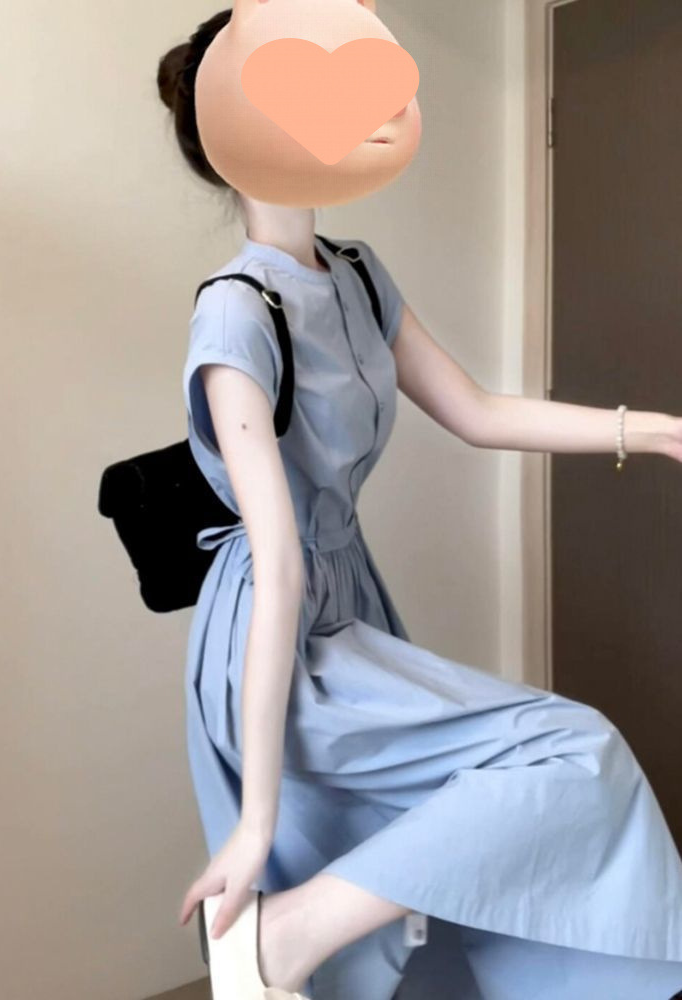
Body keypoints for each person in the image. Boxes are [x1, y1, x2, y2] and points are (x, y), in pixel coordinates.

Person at [159, 11, 682, 1000]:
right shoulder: (236, 309)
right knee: (573, 750)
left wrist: (654, 430)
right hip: (272, 628)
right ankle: (279, 937)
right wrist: (254, 822)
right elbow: (278, 560)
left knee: (428, 880)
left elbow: (477, 412)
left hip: (344, 601)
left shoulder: (357, 274)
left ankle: (296, 938)